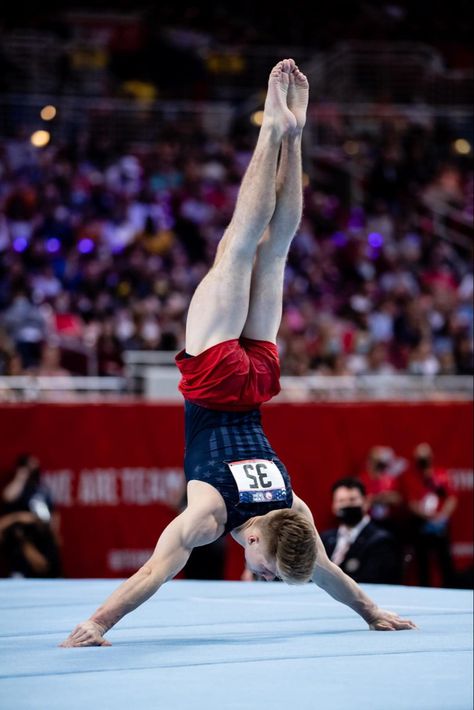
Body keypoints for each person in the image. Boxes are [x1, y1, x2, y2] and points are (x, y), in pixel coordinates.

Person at [61, 59, 415, 647]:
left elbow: (325, 571)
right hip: (217, 378)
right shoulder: (212, 516)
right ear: (256, 542)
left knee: (273, 254)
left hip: (258, 382)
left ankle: (294, 136)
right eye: (272, 571)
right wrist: (96, 623)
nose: (269, 577)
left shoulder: (290, 506)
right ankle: (272, 130)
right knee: (238, 246)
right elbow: (154, 572)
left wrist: (371, 611)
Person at [321, 478, 403, 584]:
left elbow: (372, 581)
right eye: (341, 501)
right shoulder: (325, 539)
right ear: (333, 506)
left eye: (352, 500)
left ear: (366, 502)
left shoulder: (381, 541)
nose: (347, 505)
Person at [401, 443, 457, 587]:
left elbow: (451, 497)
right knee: (422, 561)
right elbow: (411, 502)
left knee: (445, 560)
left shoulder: (441, 474)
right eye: (420, 457)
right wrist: (427, 517)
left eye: (425, 456)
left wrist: (441, 517)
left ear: (431, 457)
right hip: (420, 523)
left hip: (440, 523)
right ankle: (424, 588)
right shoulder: (411, 477)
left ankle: (451, 587)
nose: (423, 459)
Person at [0, 454, 62, 577]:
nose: (35, 469)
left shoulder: (41, 489)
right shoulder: (17, 489)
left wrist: (56, 533)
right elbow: (7, 497)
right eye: (30, 466)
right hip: (22, 537)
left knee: (47, 563)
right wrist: (21, 476)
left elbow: (53, 512)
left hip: (43, 536)